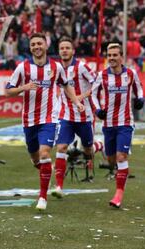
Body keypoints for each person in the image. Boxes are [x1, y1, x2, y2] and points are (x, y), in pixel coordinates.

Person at [5, 33, 84, 210]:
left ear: (46, 46)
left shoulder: (56, 67)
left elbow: (66, 85)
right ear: (30, 47)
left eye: (39, 43)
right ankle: (49, 172)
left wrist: (77, 102)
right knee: (36, 160)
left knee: (44, 153)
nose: (36, 47)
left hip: (50, 118)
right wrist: (23, 88)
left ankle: (42, 198)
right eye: (33, 44)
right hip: (29, 120)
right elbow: (7, 91)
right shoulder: (23, 68)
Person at [92, 43, 144, 208]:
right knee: (111, 159)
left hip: (125, 123)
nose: (112, 58)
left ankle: (118, 195)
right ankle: (116, 170)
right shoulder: (102, 75)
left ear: (121, 56)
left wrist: (140, 100)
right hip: (108, 124)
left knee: (122, 156)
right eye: (110, 55)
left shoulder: (130, 73)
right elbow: (93, 94)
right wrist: (98, 110)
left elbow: (139, 89)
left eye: (115, 55)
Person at [52, 37, 97, 198]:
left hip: (85, 116)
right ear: (59, 51)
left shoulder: (82, 67)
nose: (64, 50)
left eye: (67, 48)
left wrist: (81, 96)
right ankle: (58, 186)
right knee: (61, 147)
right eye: (62, 48)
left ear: (73, 51)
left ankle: (96, 148)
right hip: (66, 116)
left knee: (88, 149)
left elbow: (97, 82)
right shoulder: (56, 68)